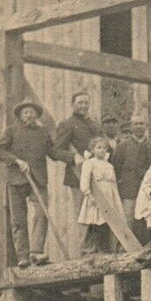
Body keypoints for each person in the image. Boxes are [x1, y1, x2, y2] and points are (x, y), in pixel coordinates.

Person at [0, 99, 61, 268]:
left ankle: (36, 252)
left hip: (38, 179)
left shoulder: (42, 132)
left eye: (32, 112)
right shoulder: (11, 131)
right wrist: (16, 160)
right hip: (16, 179)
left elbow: (52, 152)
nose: (29, 115)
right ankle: (22, 255)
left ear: (36, 115)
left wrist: (71, 157)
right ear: (21, 115)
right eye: (26, 112)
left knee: (41, 213)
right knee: (18, 219)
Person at [53, 90, 104, 224]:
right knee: (82, 215)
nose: (83, 105)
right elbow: (55, 151)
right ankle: (83, 246)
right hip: (77, 176)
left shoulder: (95, 125)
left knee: (98, 216)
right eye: (80, 102)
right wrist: (73, 156)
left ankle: (95, 246)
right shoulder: (67, 124)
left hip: (98, 176)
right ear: (72, 104)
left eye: (86, 102)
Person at [112, 112, 151, 237]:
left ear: (146, 125)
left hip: (149, 190)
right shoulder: (122, 147)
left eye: (141, 123)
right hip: (129, 189)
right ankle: (126, 250)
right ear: (131, 127)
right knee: (128, 218)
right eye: (136, 124)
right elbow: (116, 167)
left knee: (147, 219)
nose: (139, 126)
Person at [78, 137, 119, 254]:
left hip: (108, 198)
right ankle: (93, 250)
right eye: (98, 147)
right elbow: (84, 181)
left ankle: (105, 249)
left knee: (106, 223)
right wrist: (89, 195)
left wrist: (115, 202)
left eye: (104, 148)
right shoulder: (89, 163)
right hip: (95, 198)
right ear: (93, 149)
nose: (101, 150)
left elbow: (114, 184)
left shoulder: (109, 166)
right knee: (95, 223)